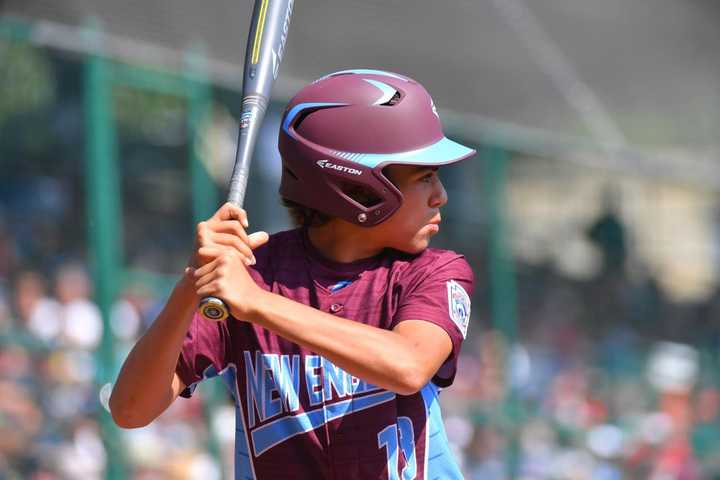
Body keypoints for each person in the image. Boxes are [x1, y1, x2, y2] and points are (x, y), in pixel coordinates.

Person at [110, 69, 476, 479]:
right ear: (359, 188)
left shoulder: (435, 271)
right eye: (424, 177)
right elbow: (130, 410)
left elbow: (408, 366)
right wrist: (195, 280)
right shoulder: (253, 272)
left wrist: (259, 305)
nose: (439, 195)